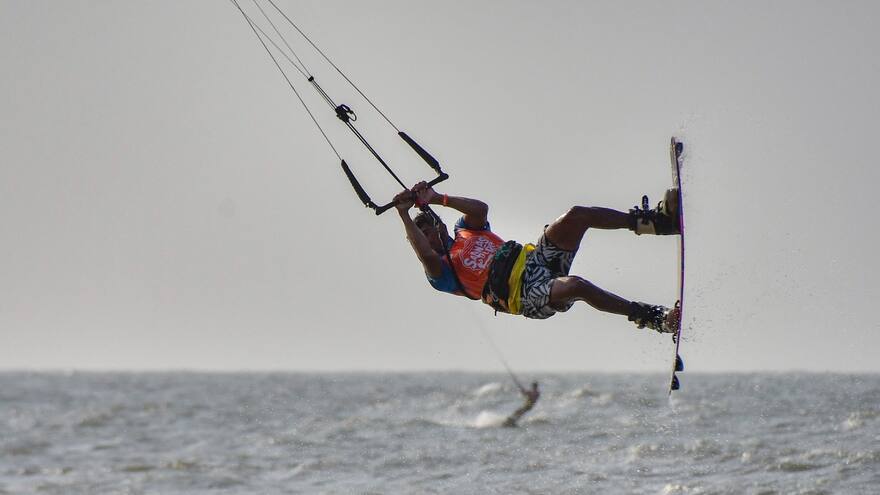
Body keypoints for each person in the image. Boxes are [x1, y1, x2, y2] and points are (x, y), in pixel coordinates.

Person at [393, 182, 681, 331]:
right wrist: (404, 213)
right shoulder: (441, 272)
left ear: (439, 224)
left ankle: (655, 222)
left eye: (426, 227)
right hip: (525, 294)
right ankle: (654, 317)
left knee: (577, 215)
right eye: (418, 235)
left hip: (538, 260)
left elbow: (480, 209)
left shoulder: (466, 230)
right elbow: (426, 255)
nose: (425, 236)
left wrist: (436, 198)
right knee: (575, 286)